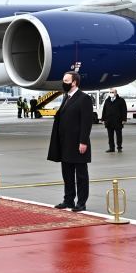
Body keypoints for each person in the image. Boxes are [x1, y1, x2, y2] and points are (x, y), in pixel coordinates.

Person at [48, 71, 93, 211]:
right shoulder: (66, 97)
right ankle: (68, 200)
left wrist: (83, 142)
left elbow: (86, 123)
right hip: (65, 144)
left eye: (66, 81)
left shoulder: (84, 98)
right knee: (67, 175)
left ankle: (81, 203)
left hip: (78, 143)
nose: (63, 83)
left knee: (81, 176)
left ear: (74, 82)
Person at [101, 88, 128, 153]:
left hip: (118, 121)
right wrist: (103, 119)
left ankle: (119, 147)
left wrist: (124, 119)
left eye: (112, 92)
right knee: (110, 136)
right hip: (109, 121)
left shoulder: (121, 100)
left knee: (119, 135)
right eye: (110, 92)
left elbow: (124, 110)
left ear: (116, 93)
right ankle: (111, 148)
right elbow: (104, 110)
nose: (111, 93)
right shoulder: (107, 100)